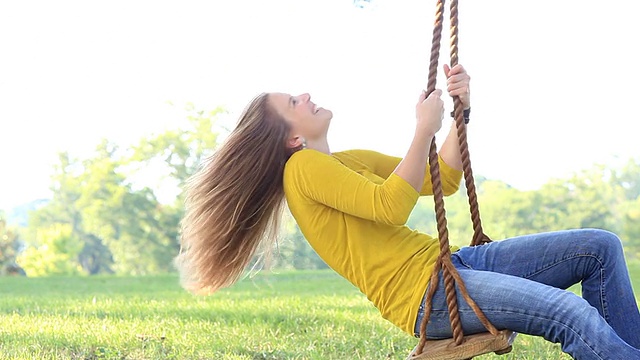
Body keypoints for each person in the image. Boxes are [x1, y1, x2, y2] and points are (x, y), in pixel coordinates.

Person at [175, 64, 640, 359]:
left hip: (453, 266)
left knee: (599, 247)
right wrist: (421, 128)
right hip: (428, 295)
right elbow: (391, 207)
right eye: (293, 102)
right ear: (292, 138)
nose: (305, 93)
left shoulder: (343, 161)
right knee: (567, 313)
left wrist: (460, 114)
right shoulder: (302, 170)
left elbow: (444, 177)